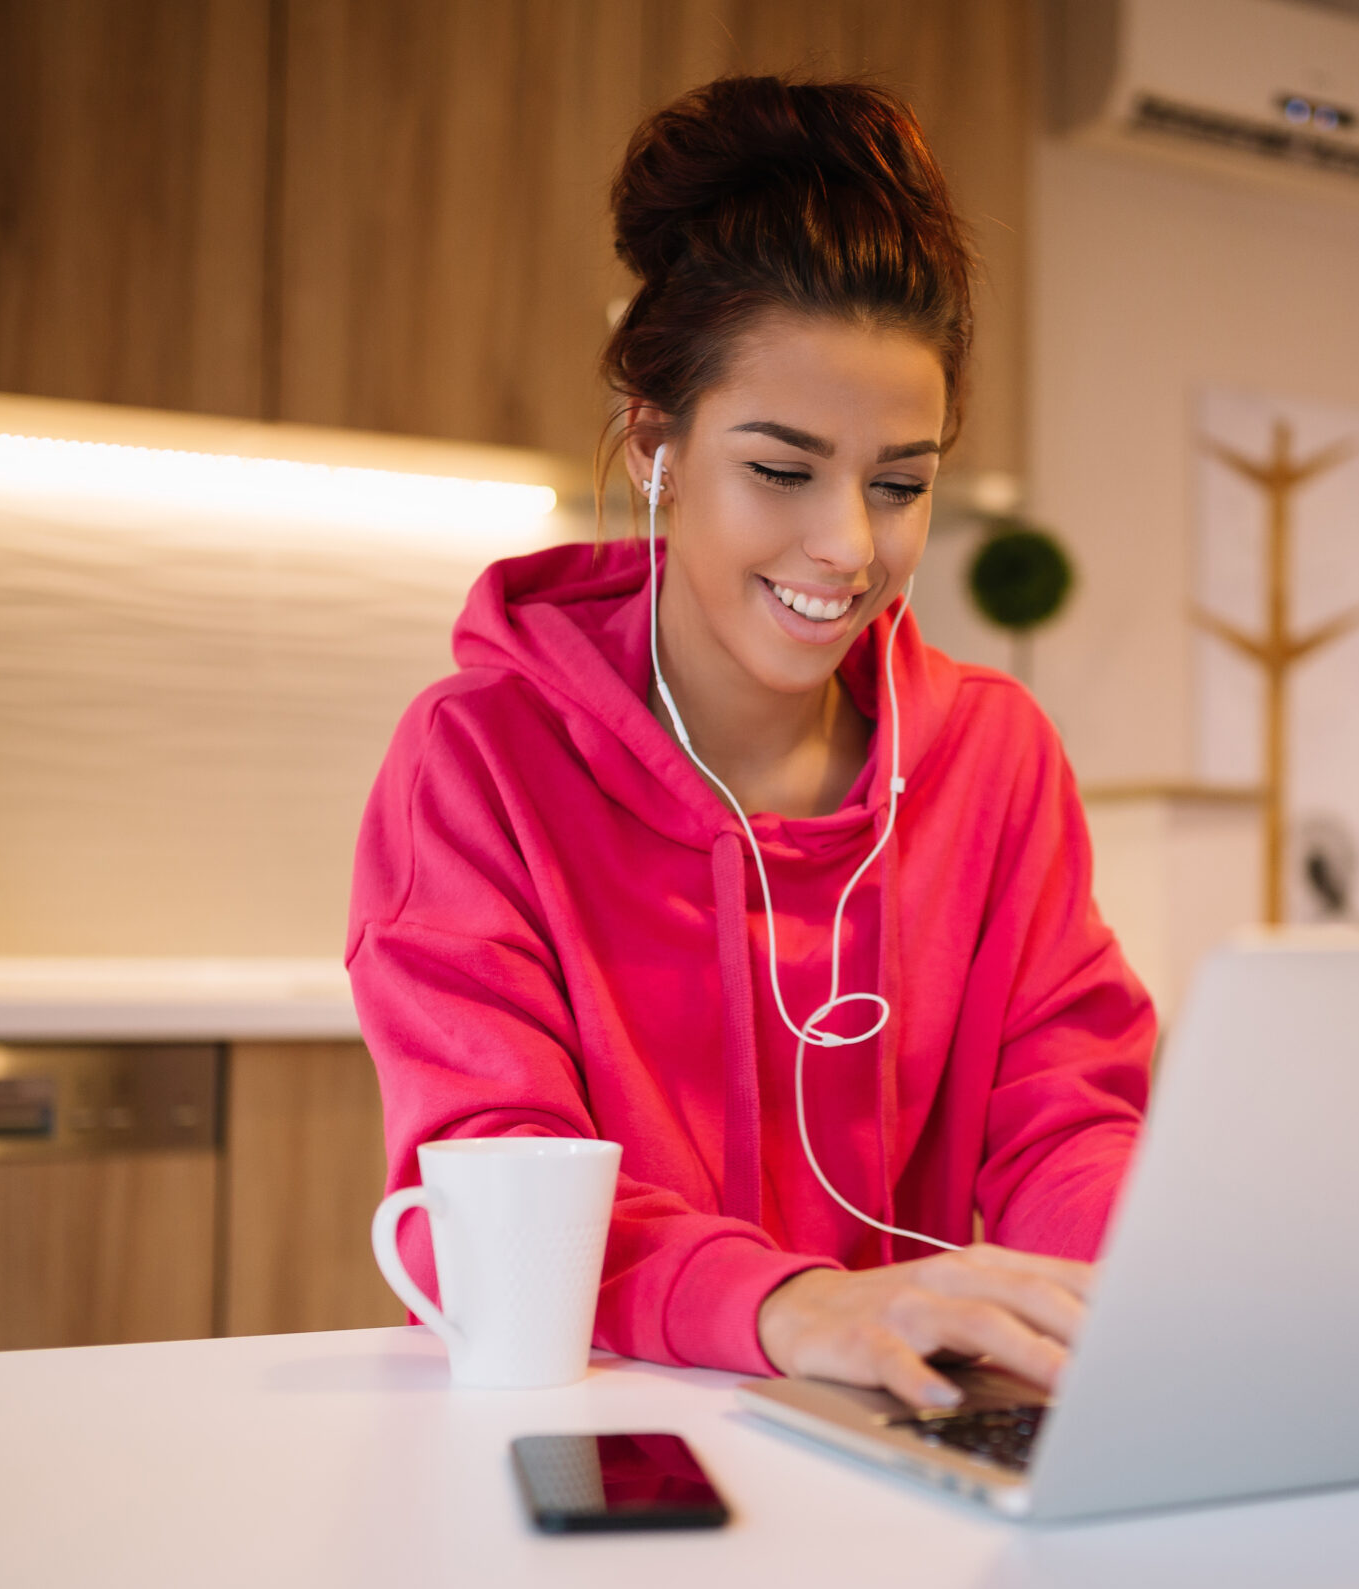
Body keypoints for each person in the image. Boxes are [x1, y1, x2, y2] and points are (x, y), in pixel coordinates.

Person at [348, 74, 1155, 1410]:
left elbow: (1064, 1127)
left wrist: (1182, 1270)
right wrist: (795, 1306)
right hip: (625, 1437)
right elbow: (488, 1193)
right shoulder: (481, 760)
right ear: (655, 444)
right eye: (782, 471)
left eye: (899, 483)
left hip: (926, 1433)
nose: (848, 545)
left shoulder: (997, 759)